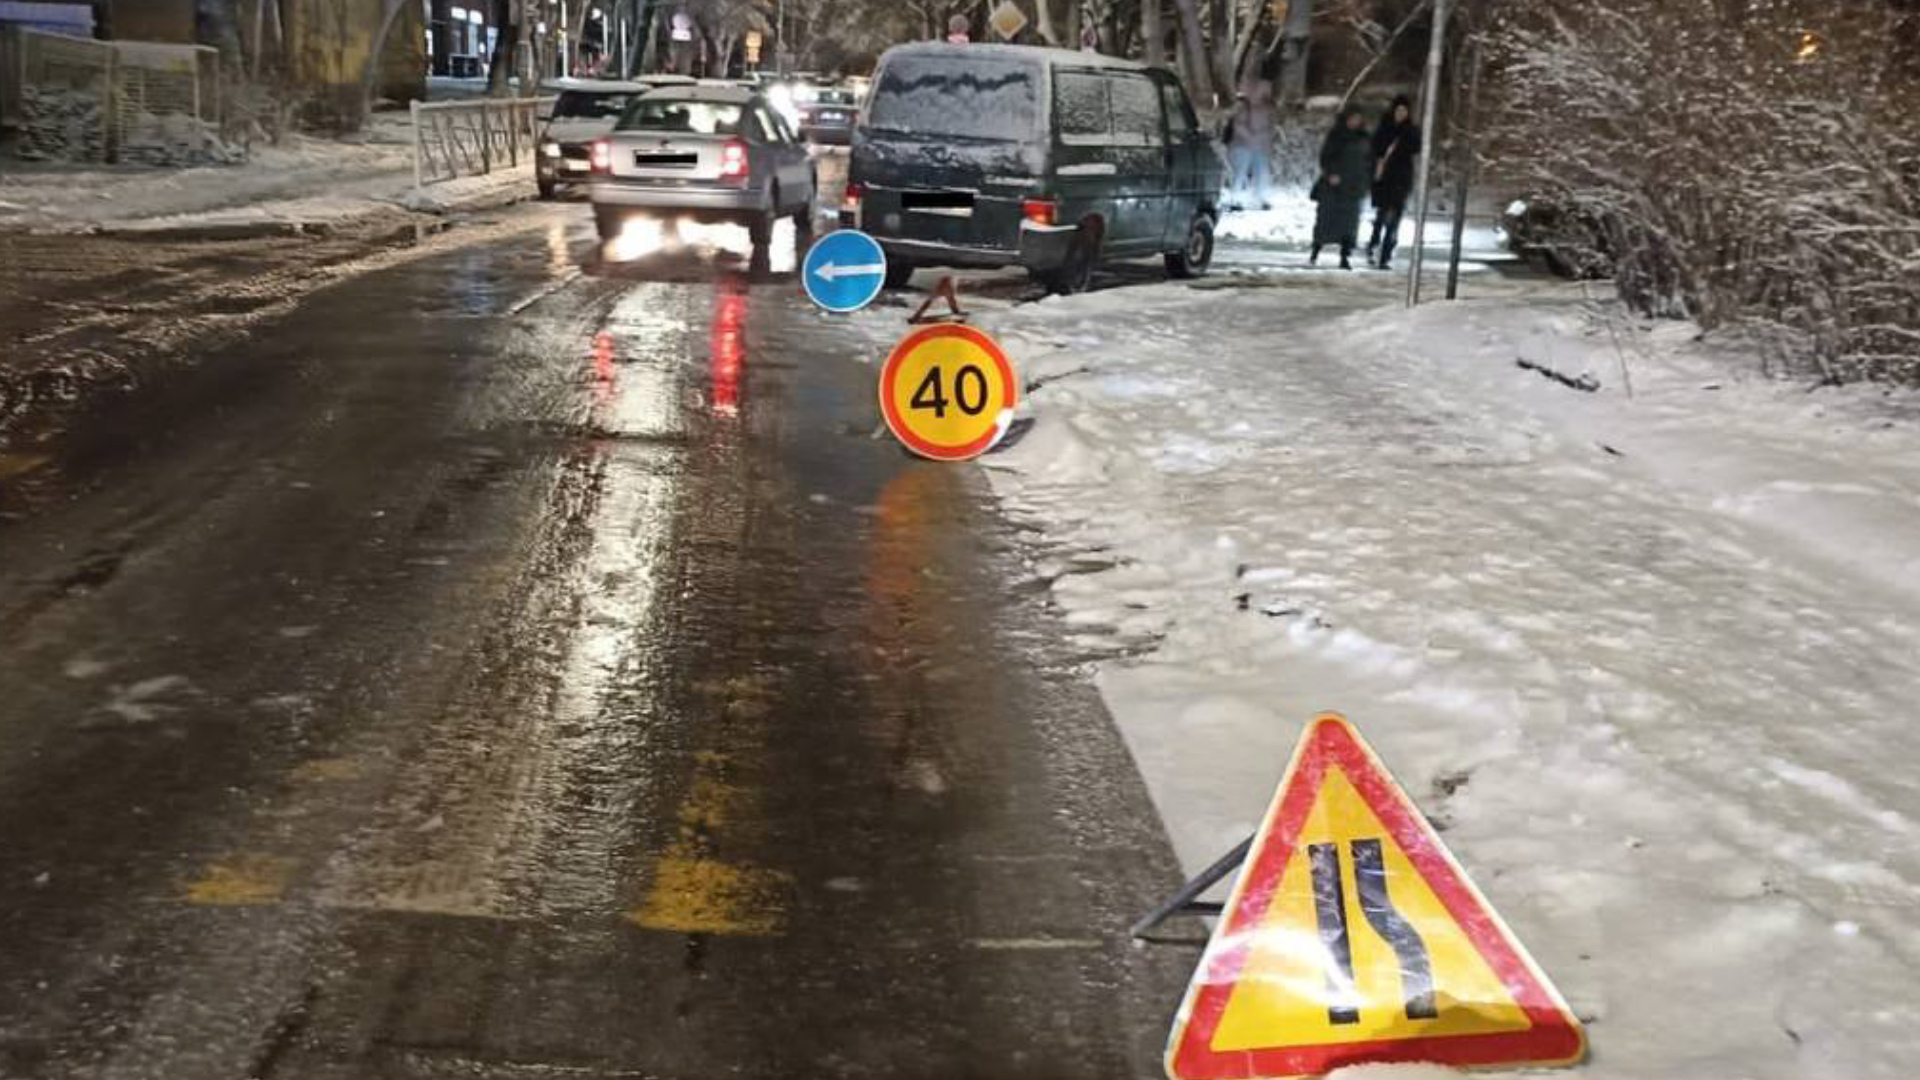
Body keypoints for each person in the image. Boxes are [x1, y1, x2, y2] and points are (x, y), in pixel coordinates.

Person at [1310, 108, 1372, 269]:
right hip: (1334, 186)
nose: (1355, 122)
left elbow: (1369, 161)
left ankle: (1345, 256)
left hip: (1353, 187)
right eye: (1352, 119)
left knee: (1349, 225)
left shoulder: (1364, 138)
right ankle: (1316, 250)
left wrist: (1366, 181)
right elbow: (1325, 157)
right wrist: (1331, 173)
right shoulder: (1336, 136)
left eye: (1358, 119)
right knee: (1325, 221)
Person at [1366, 95, 1422, 269]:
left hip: (1401, 179)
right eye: (1398, 110)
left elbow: (1416, 148)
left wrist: (1407, 136)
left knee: (1395, 217)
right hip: (1384, 178)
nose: (1401, 114)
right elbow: (1375, 148)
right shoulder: (1384, 128)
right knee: (1381, 215)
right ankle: (1374, 244)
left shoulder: (1411, 130)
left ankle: (1386, 254)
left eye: (1404, 111)